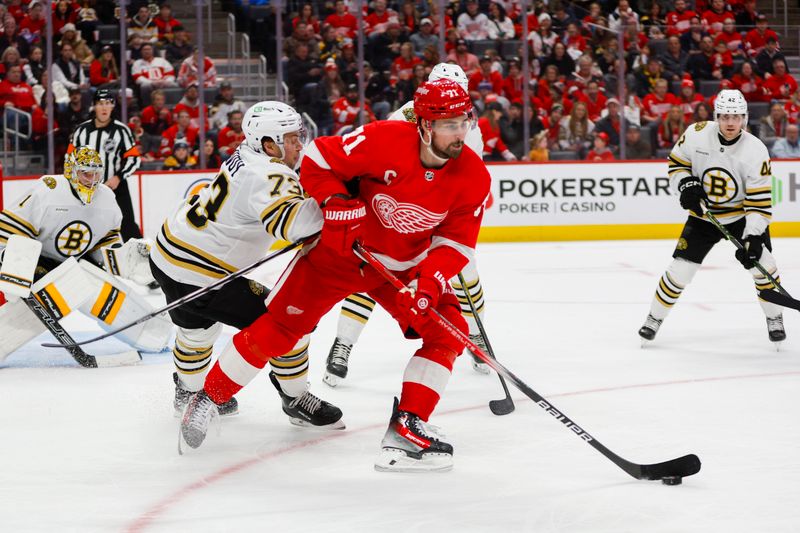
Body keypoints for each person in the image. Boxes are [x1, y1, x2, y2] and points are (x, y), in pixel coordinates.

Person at [180, 79, 491, 473]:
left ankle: (407, 427)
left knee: (447, 330)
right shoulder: (383, 140)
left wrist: (429, 282)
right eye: (449, 124)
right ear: (425, 125)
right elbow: (318, 159)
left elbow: (457, 243)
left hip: (403, 267)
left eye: (464, 121)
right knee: (280, 329)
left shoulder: (473, 175)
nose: (460, 133)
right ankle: (208, 397)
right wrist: (335, 200)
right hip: (339, 257)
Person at [150, 101, 344, 425]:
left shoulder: (247, 152)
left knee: (197, 331)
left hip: (167, 252)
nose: (300, 144)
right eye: (292, 138)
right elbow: (296, 226)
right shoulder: (269, 173)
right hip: (203, 274)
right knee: (289, 324)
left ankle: (187, 391)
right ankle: (295, 398)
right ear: (269, 145)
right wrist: (340, 207)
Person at [323, 63, 492, 387]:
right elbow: (371, 161)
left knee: (465, 272)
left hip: (438, 217)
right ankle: (343, 343)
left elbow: (471, 177)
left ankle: (475, 337)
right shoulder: (402, 117)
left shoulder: (469, 127)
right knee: (373, 275)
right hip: (398, 216)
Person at [638, 89, 786, 346]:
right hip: (703, 216)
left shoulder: (756, 150)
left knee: (765, 267)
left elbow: (759, 202)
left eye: (736, 117)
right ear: (717, 116)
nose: (730, 123)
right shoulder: (696, 134)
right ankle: (654, 318)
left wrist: (752, 237)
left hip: (741, 217)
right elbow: (677, 165)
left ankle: (774, 318)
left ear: (745, 118)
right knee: (680, 271)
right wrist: (685, 185)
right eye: (725, 116)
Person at [0, 147, 171, 363]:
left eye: (96, 174)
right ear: (71, 171)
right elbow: (9, 231)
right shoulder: (48, 189)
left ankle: (152, 334)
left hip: (75, 266)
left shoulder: (107, 198)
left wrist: (128, 257)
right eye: (85, 173)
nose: (91, 180)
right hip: (37, 264)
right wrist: (16, 270)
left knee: (95, 291)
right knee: (67, 287)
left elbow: (105, 246)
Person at [68, 89, 142, 241]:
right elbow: (70, 158)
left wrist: (119, 177)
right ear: (94, 106)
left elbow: (134, 158)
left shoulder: (121, 130)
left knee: (127, 224)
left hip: (116, 186)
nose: (104, 107)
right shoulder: (81, 131)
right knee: (82, 224)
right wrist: (80, 178)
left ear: (113, 106)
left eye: (108, 103)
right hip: (86, 187)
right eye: (100, 103)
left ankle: (140, 259)